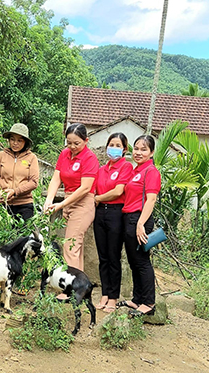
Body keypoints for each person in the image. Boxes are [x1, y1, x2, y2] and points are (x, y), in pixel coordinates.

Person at [44, 123, 99, 278]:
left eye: (77, 143)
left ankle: (71, 286)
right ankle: (78, 287)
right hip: (69, 199)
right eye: (69, 142)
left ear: (86, 140)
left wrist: (61, 205)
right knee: (76, 247)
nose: (72, 146)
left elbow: (85, 188)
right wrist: (49, 200)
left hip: (83, 203)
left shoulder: (89, 158)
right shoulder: (64, 154)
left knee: (70, 246)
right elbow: (56, 178)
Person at [119, 135, 161, 317]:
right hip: (129, 219)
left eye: (144, 149)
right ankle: (137, 299)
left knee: (142, 261)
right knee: (133, 261)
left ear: (151, 152)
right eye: (136, 148)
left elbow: (151, 199)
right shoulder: (136, 171)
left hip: (140, 220)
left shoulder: (151, 171)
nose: (138, 152)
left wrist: (141, 224)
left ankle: (149, 303)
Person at [92, 133, 133, 313]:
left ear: (124, 149)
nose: (114, 148)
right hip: (100, 214)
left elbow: (118, 191)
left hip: (116, 213)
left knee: (114, 256)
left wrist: (99, 197)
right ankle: (104, 294)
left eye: (118, 145)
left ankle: (114, 297)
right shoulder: (101, 169)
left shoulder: (126, 167)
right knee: (103, 257)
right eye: (111, 144)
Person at [0, 123, 39, 222]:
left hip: (24, 205)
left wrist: (15, 192)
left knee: (23, 236)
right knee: (3, 235)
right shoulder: (1, 155)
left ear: (25, 142)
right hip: (3, 204)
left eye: (19, 140)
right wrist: (1, 193)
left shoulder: (31, 158)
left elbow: (33, 182)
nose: (15, 143)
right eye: (12, 139)